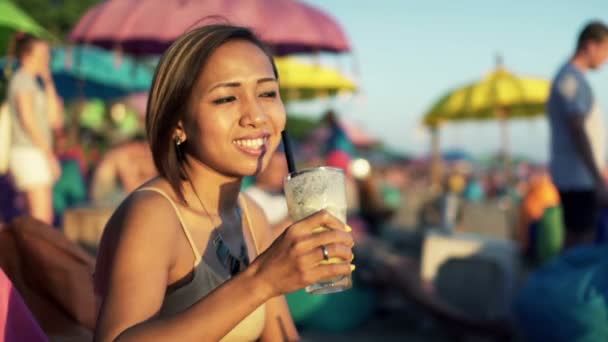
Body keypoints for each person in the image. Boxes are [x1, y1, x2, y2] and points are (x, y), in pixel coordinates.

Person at [93, 24, 354, 342]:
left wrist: (279, 276)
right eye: (227, 98)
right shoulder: (155, 214)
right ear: (178, 123)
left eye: (268, 93)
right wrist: (261, 281)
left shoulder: (250, 215)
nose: (257, 116)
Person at [547, 21, 608, 249]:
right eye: (606, 51)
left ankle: (568, 283)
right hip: (578, 178)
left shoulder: (569, 77)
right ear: (591, 46)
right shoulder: (571, 79)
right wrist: (597, 177)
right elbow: (577, 129)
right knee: (580, 241)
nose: (606, 59)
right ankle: (571, 285)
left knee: (577, 238)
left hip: (578, 176)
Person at [6, 33, 63, 225]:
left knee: (39, 216)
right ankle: (34, 255)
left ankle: (28, 254)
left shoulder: (35, 83)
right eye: (42, 54)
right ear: (26, 56)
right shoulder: (22, 80)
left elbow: (55, 120)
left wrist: (48, 81)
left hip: (34, 151)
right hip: (29, 151)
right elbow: (27, 120)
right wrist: (49, 156)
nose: (47, 58)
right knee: (41, 218)